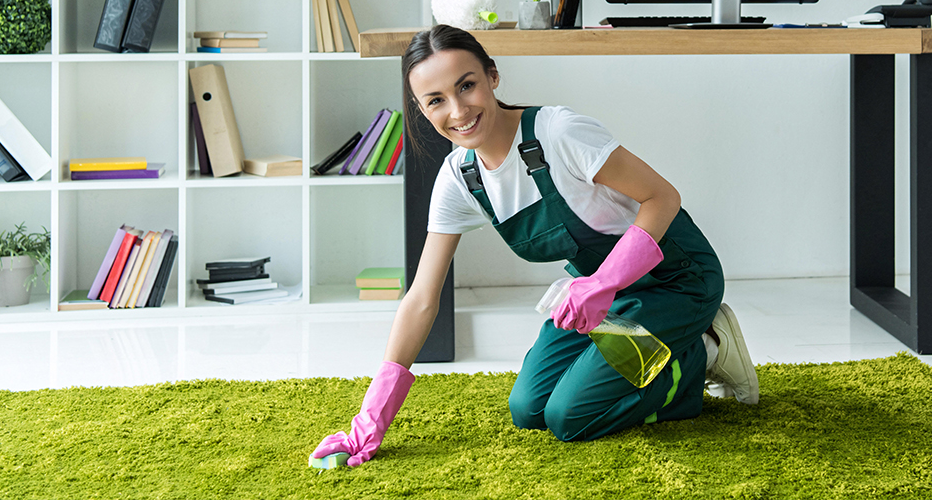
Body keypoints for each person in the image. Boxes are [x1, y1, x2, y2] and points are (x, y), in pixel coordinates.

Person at [311, 24, 758, 467]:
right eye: (436, 100)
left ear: (492, 76)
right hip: (601, 296)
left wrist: (603, 282)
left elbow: (663, 197)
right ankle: (651, 342)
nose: (458, 111)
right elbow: (422, 299)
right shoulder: (460, 177)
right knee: (529, 408)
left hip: (677, 278)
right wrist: (370, 419)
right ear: (422, 110)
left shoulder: (559, 133)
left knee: (570, 415)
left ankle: (705, 347)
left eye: (466, 86)